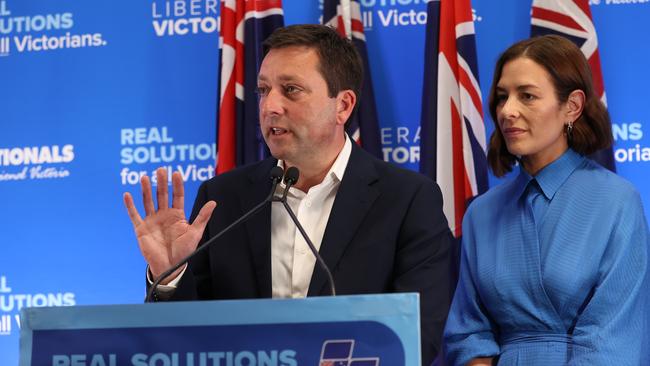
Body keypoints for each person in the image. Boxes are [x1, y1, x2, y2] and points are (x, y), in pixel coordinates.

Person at [123, 24, 453, 365]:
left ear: (343, 105)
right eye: (264, 90)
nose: (271, 106)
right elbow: (185, 339)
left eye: (291, 90)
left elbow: (416, 335)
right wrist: (170, 277)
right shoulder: (222, 198)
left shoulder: (407, 199)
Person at [443, 34, 649, 365]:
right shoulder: (481, 213)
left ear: (572, 106)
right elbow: (468, 333)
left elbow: (613, 341)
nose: (507, 111)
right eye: (501, 97)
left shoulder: (617, 201)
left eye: (527, 96)